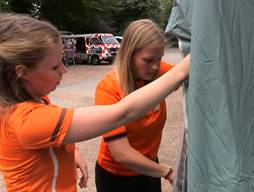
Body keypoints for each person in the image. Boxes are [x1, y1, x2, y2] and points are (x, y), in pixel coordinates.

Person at [0, 13, 189, 192]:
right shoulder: (27, 121)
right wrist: (184, 69)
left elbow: (48, 137)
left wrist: (72, 152)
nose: (65, 70)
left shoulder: (31, 100)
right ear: (22, 72)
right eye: (55, 66)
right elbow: (122, 113)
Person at [94, 19, 189, 192]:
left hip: (148, 169)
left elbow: (186, 72)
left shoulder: (157, 72)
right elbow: (122, 154)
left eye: (159, 58)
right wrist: (167, 172)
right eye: (148, 60)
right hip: (115, 177)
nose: (154, 66)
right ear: (129, 54)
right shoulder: (108, 89)